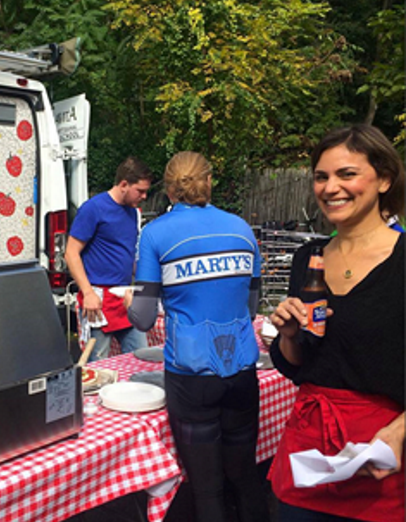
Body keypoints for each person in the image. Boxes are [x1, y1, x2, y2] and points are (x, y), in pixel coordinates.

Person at [268, 124, 404, 522]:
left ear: (383, 180)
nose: (330, 188)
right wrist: (289, 336)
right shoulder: (308, 258)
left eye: (347, 174)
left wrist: (399, 433)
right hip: (308, 451)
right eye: (321, 177)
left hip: (385, 455)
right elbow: (299, 363)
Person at [125, 151, 269, 522]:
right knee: (244, 475)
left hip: (191, 376)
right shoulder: (241, 228)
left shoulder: (156, 233)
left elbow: (142, 320)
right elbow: (251, 308)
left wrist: (131, 298)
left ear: (169, 190)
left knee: (207, 489)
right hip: (241, 369)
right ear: (209, 182)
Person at [64, 156, 152, 361]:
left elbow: (128, 255)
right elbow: (71, 252)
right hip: (98, 299)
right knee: (99, 364)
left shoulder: (134, 213)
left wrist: (145, 286)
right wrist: (87, 293)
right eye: (140, 190)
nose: (145, 196)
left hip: (125, 298)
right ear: (123, 184)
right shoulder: (93, 208)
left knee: (140, 357)